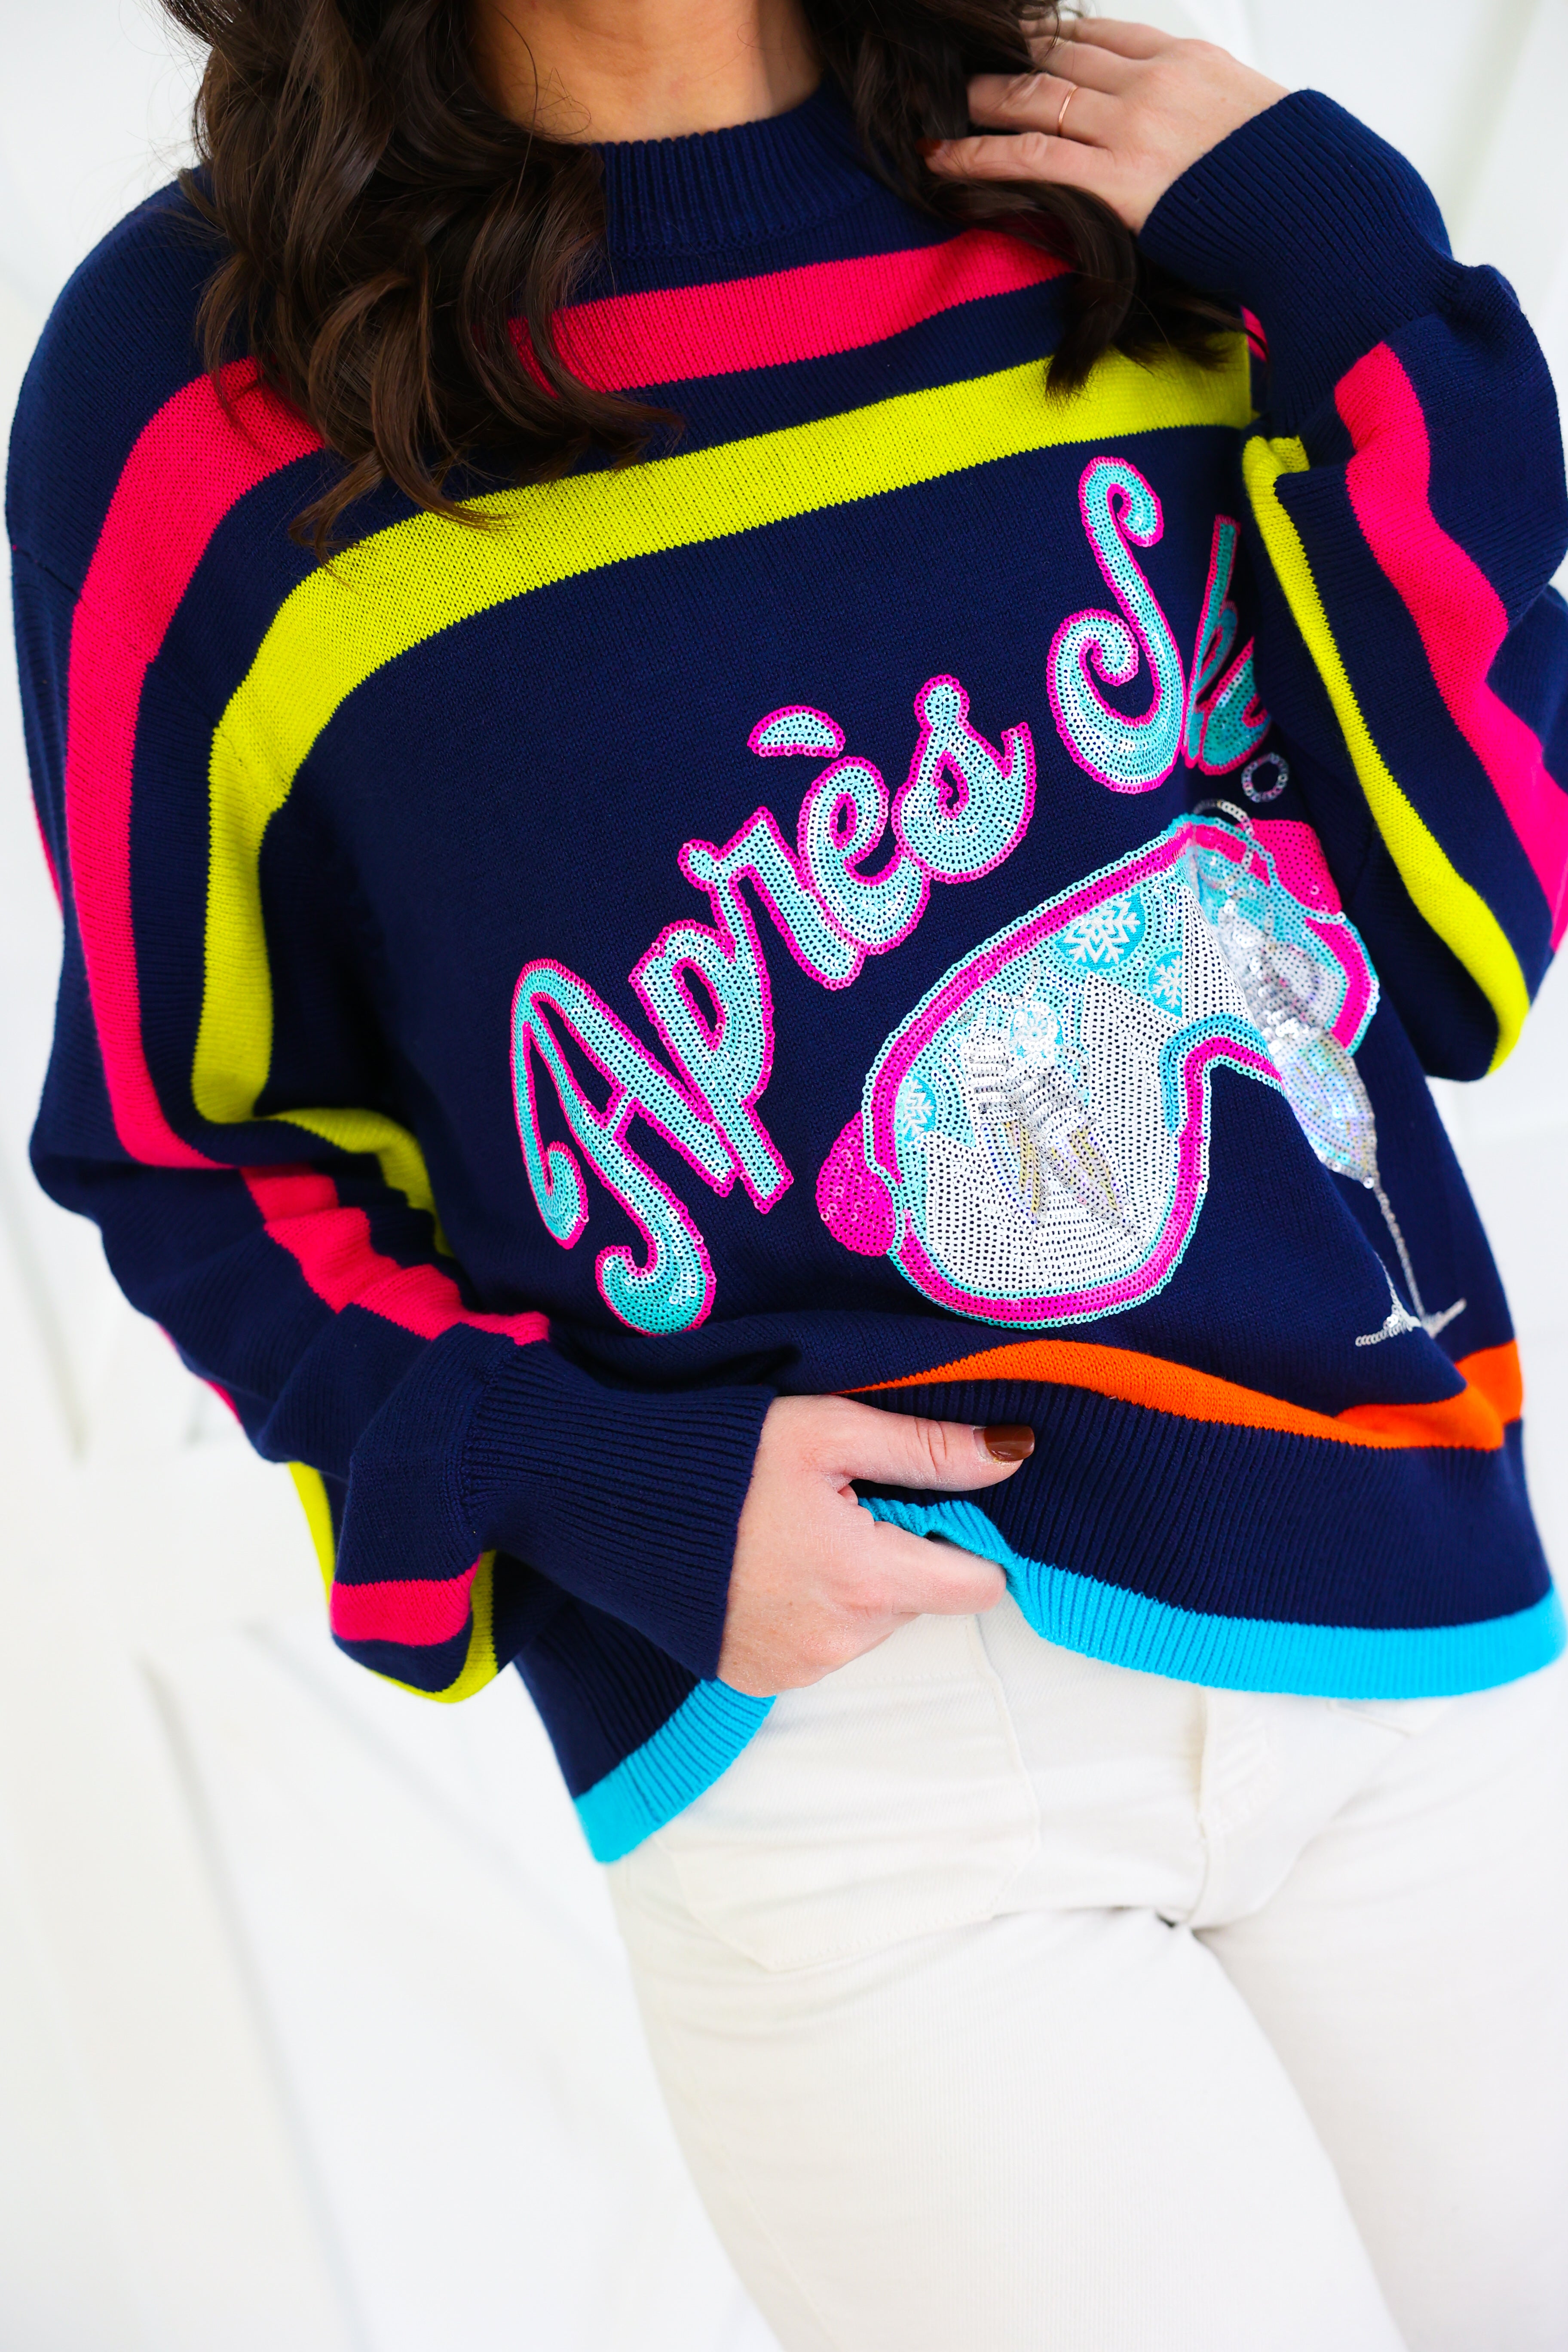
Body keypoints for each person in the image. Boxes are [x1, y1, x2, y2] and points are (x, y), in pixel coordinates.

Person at [9, 0, 1568, 2342]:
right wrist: (572, 1475)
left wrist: (1364, 281)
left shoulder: (1136, 185)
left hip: (1406, 1615)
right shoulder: (194, 379)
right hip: (856, 1779)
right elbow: (188, 1147)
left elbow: (1457, 939)